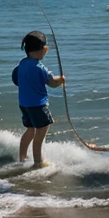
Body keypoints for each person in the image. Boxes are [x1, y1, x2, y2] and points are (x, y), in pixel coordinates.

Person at [11, 30, 65, 167]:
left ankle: (22, 158)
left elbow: (15, 79)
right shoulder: (40, 68)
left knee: (30, 130)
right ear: (44, 50)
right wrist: (61, 80)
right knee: (40, 133)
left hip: (24, 104)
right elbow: (52, 83)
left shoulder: (21, 64)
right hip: (38, 105)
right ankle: (38, 162)